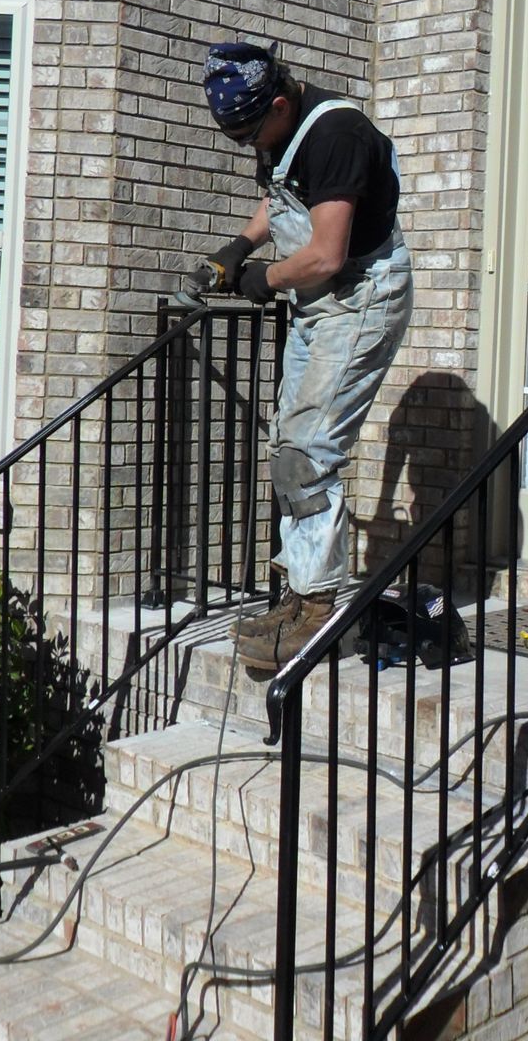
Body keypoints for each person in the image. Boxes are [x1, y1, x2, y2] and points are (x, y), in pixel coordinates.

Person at [183, 40, 413, 672]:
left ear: (279, 102)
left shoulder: (337, 133)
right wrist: (237, 246)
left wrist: (264, 278)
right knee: (289, 443)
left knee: (310, 450)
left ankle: (318, 611)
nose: (247, 147)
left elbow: (328, 254)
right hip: (319, 302)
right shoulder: (282, 136)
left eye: (249, 134)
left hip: (360, 293)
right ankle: (300, 590)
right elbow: (283, 198)